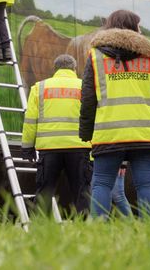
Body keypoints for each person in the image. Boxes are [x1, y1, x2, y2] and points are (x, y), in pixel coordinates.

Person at [79, 9, 150, 218]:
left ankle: (98, 233)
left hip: (109, 133)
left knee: (102, 183)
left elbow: (88, 99)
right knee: (145, 184)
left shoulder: (96, 57)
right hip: (147, 133)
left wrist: (86, 133)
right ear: (133, 28)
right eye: (139, 26)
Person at [22, 54, 92, 216]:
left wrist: (27, 147)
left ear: (55, 69)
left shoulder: (39, 88)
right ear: (74, 69)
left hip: (49, 150)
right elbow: (93, 118)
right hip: (79, 149)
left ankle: (40, 230)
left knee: (44, 193)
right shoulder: (85, 87)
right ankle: (86, 231)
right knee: (82, 193)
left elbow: (31, 120)